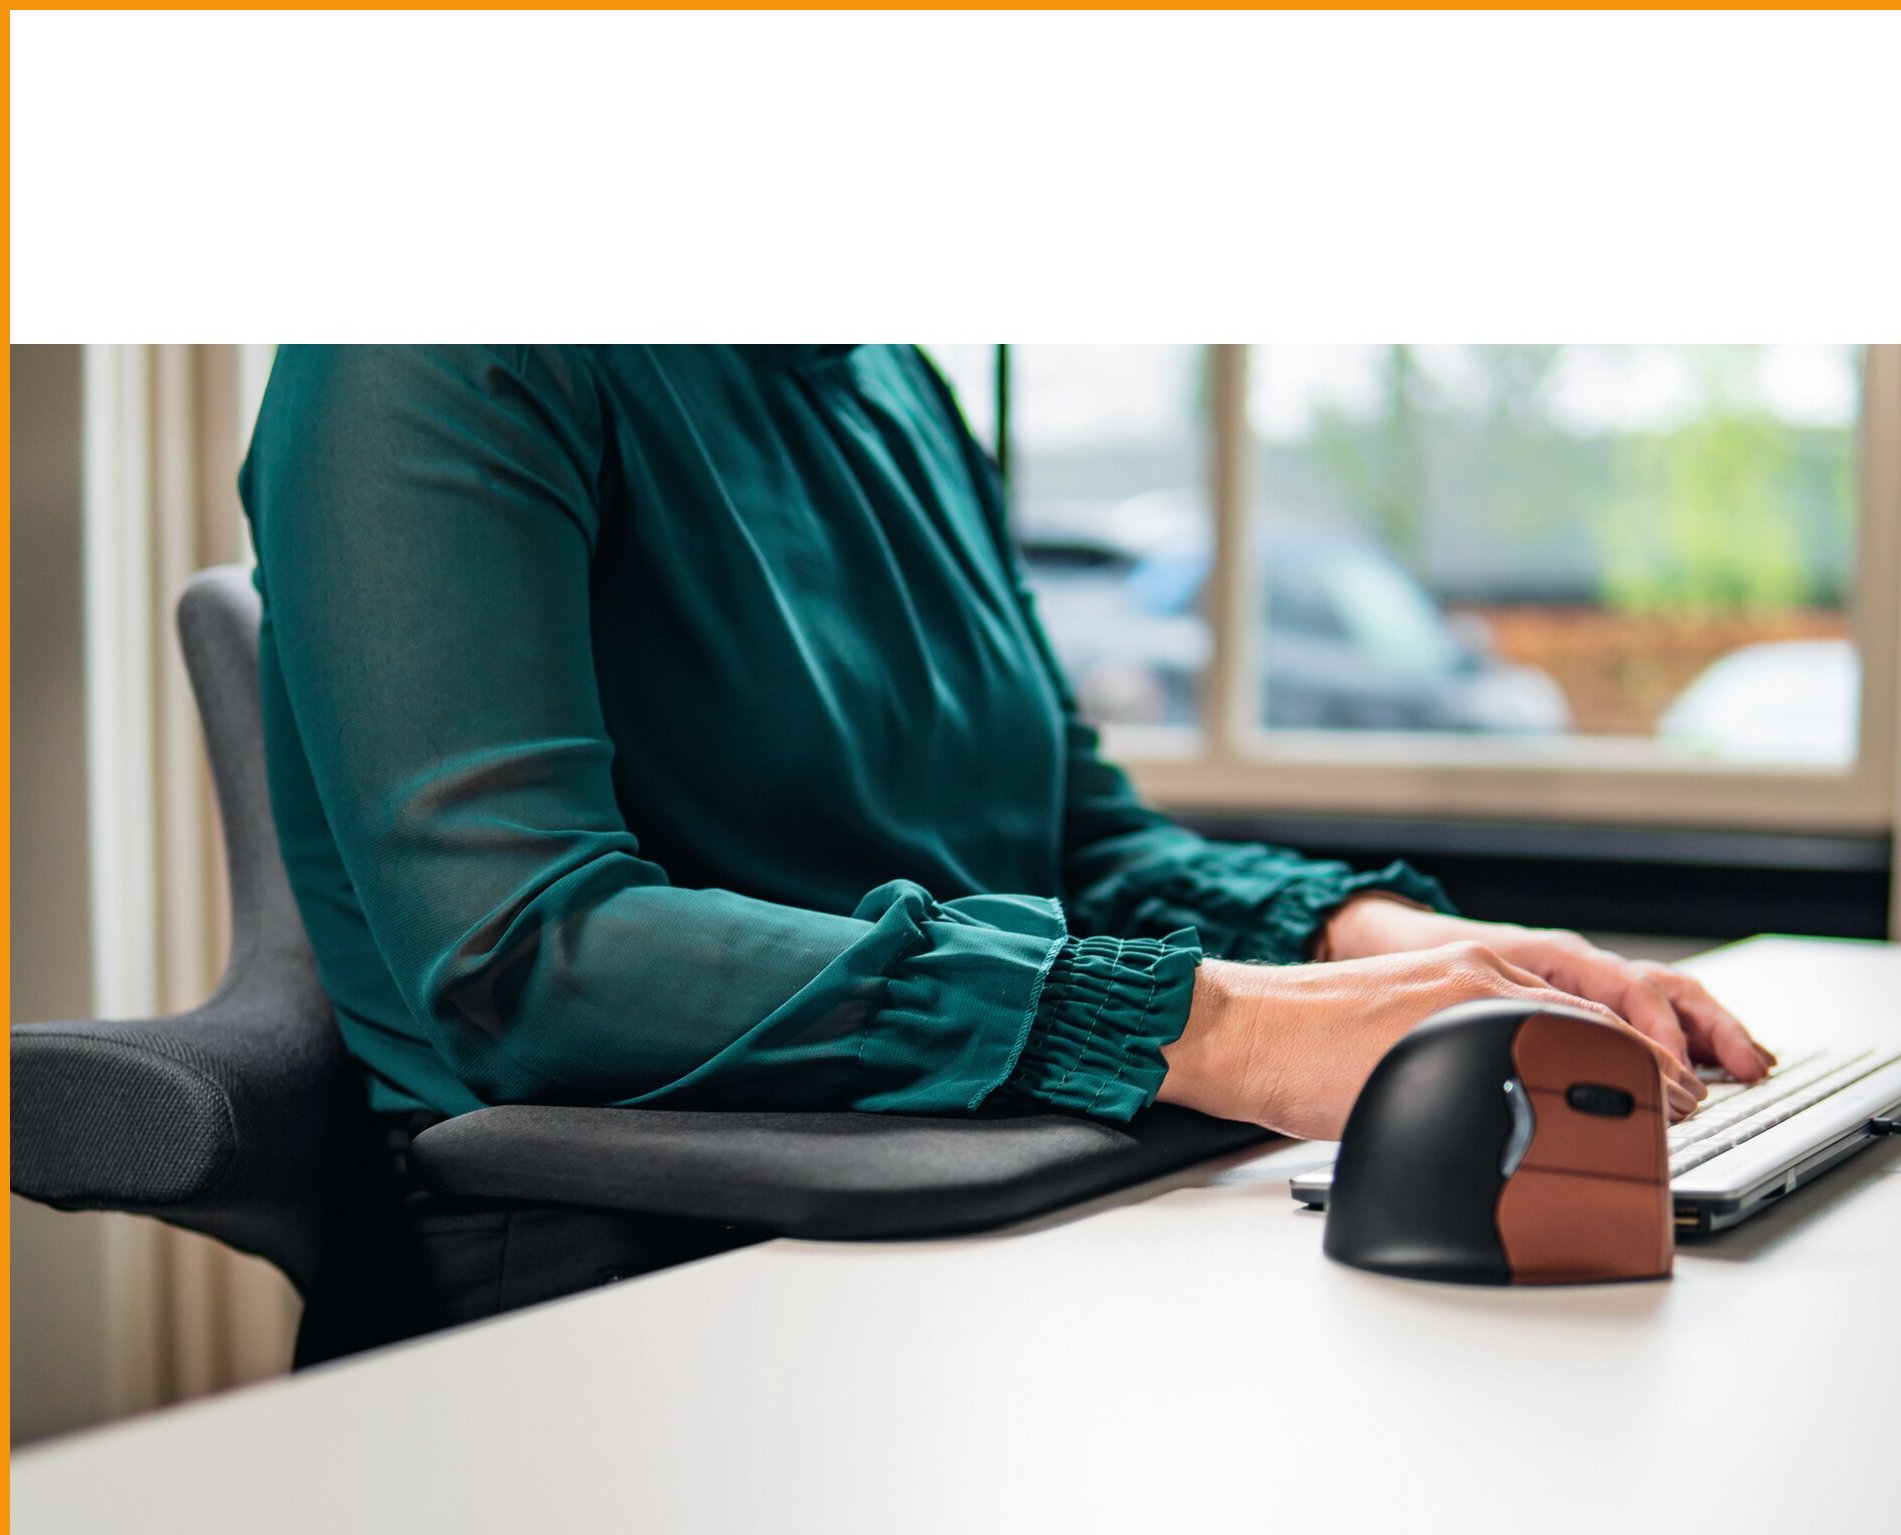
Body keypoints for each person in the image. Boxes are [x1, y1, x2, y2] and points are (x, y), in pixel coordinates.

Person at [241, 346, 1770, 1349]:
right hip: (632, 1271)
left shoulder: (892, 379)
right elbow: (528, 954)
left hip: (979, 1189)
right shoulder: (429, 356)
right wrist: (1227, 1030)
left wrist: (1375, 947)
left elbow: (1076, 838)